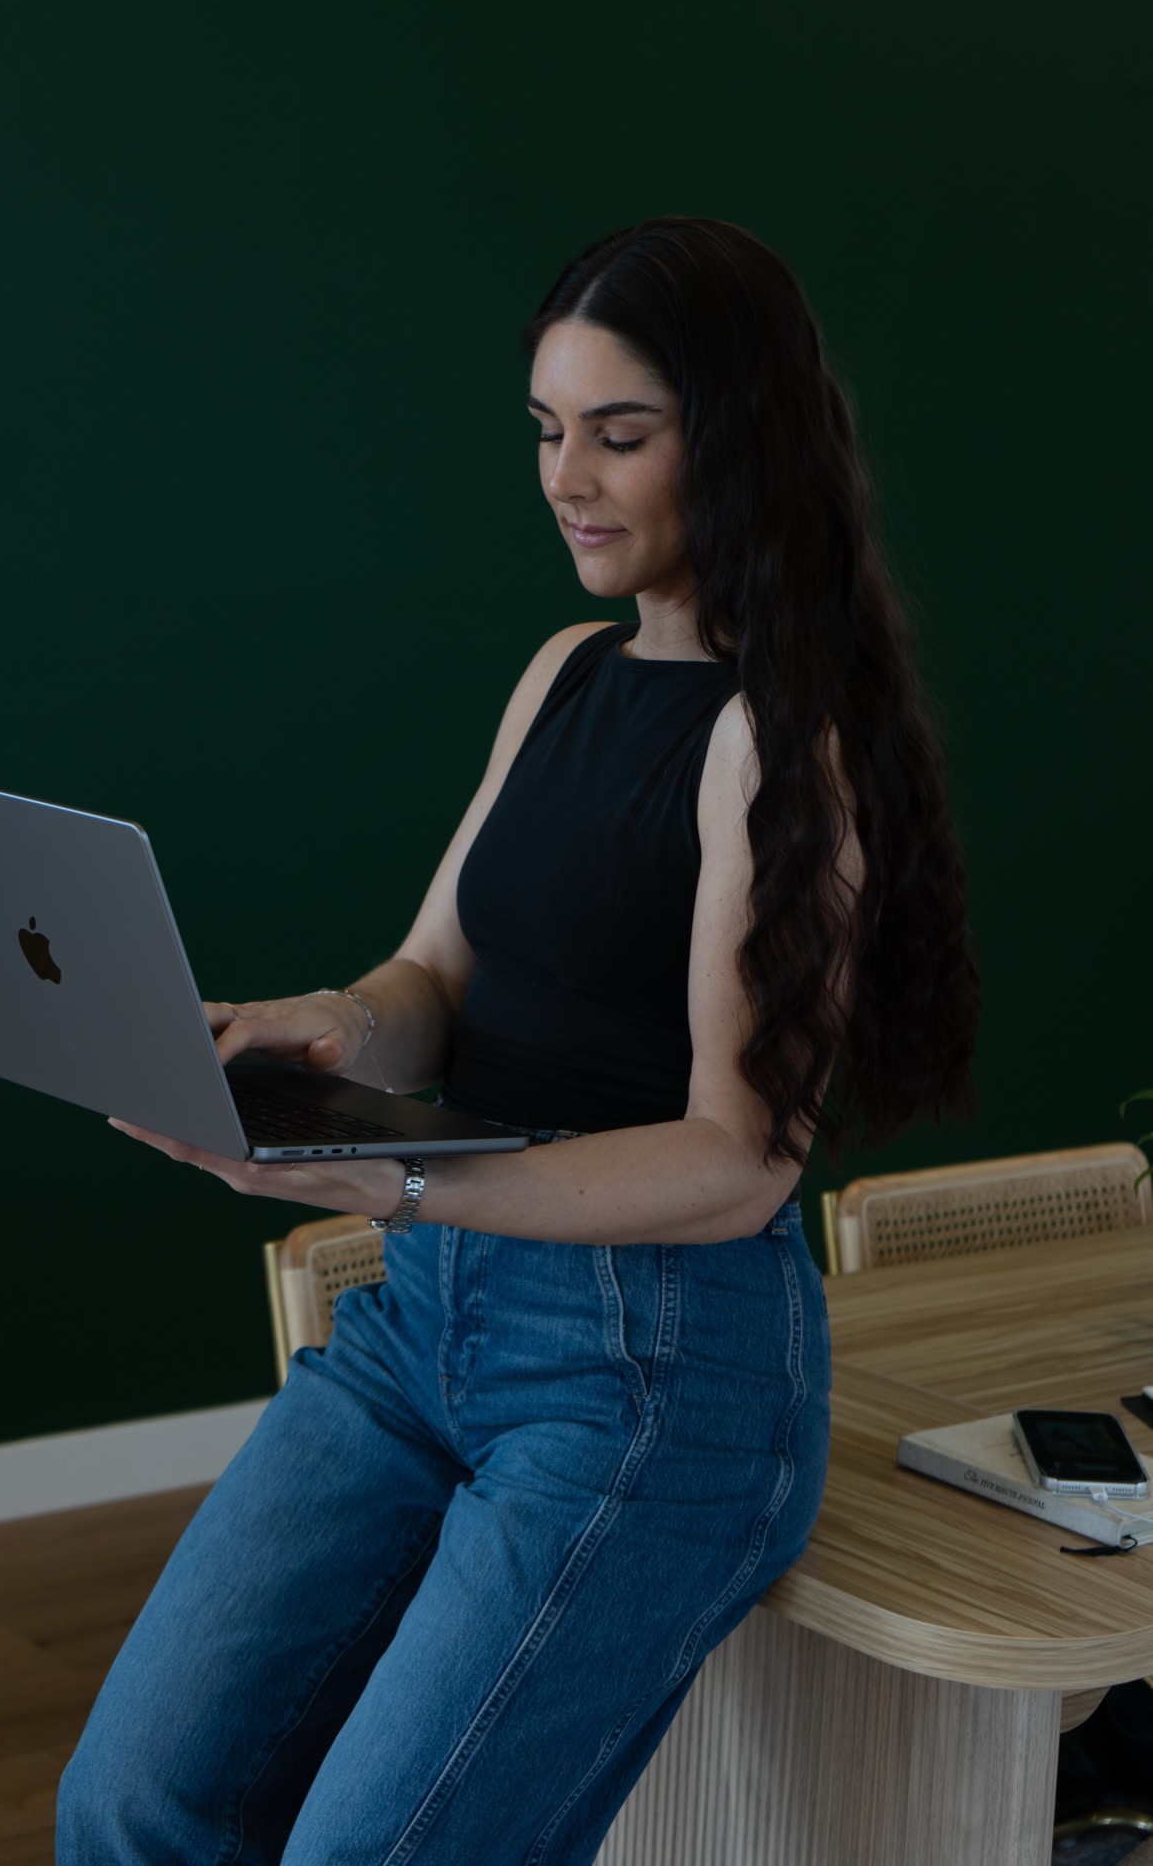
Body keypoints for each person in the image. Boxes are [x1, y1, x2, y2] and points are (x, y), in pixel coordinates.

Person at [56, 217, 979, 1865]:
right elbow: (432, 975)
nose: (570, 476)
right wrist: (323, 1027)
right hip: (427, 1334)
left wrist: (394, 1188)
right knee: (131, 1803)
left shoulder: (779, 743)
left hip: (654, 1377)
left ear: (743, 433)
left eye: (620, 435)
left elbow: (733, 1164)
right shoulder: (563, 675)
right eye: (549, 432)